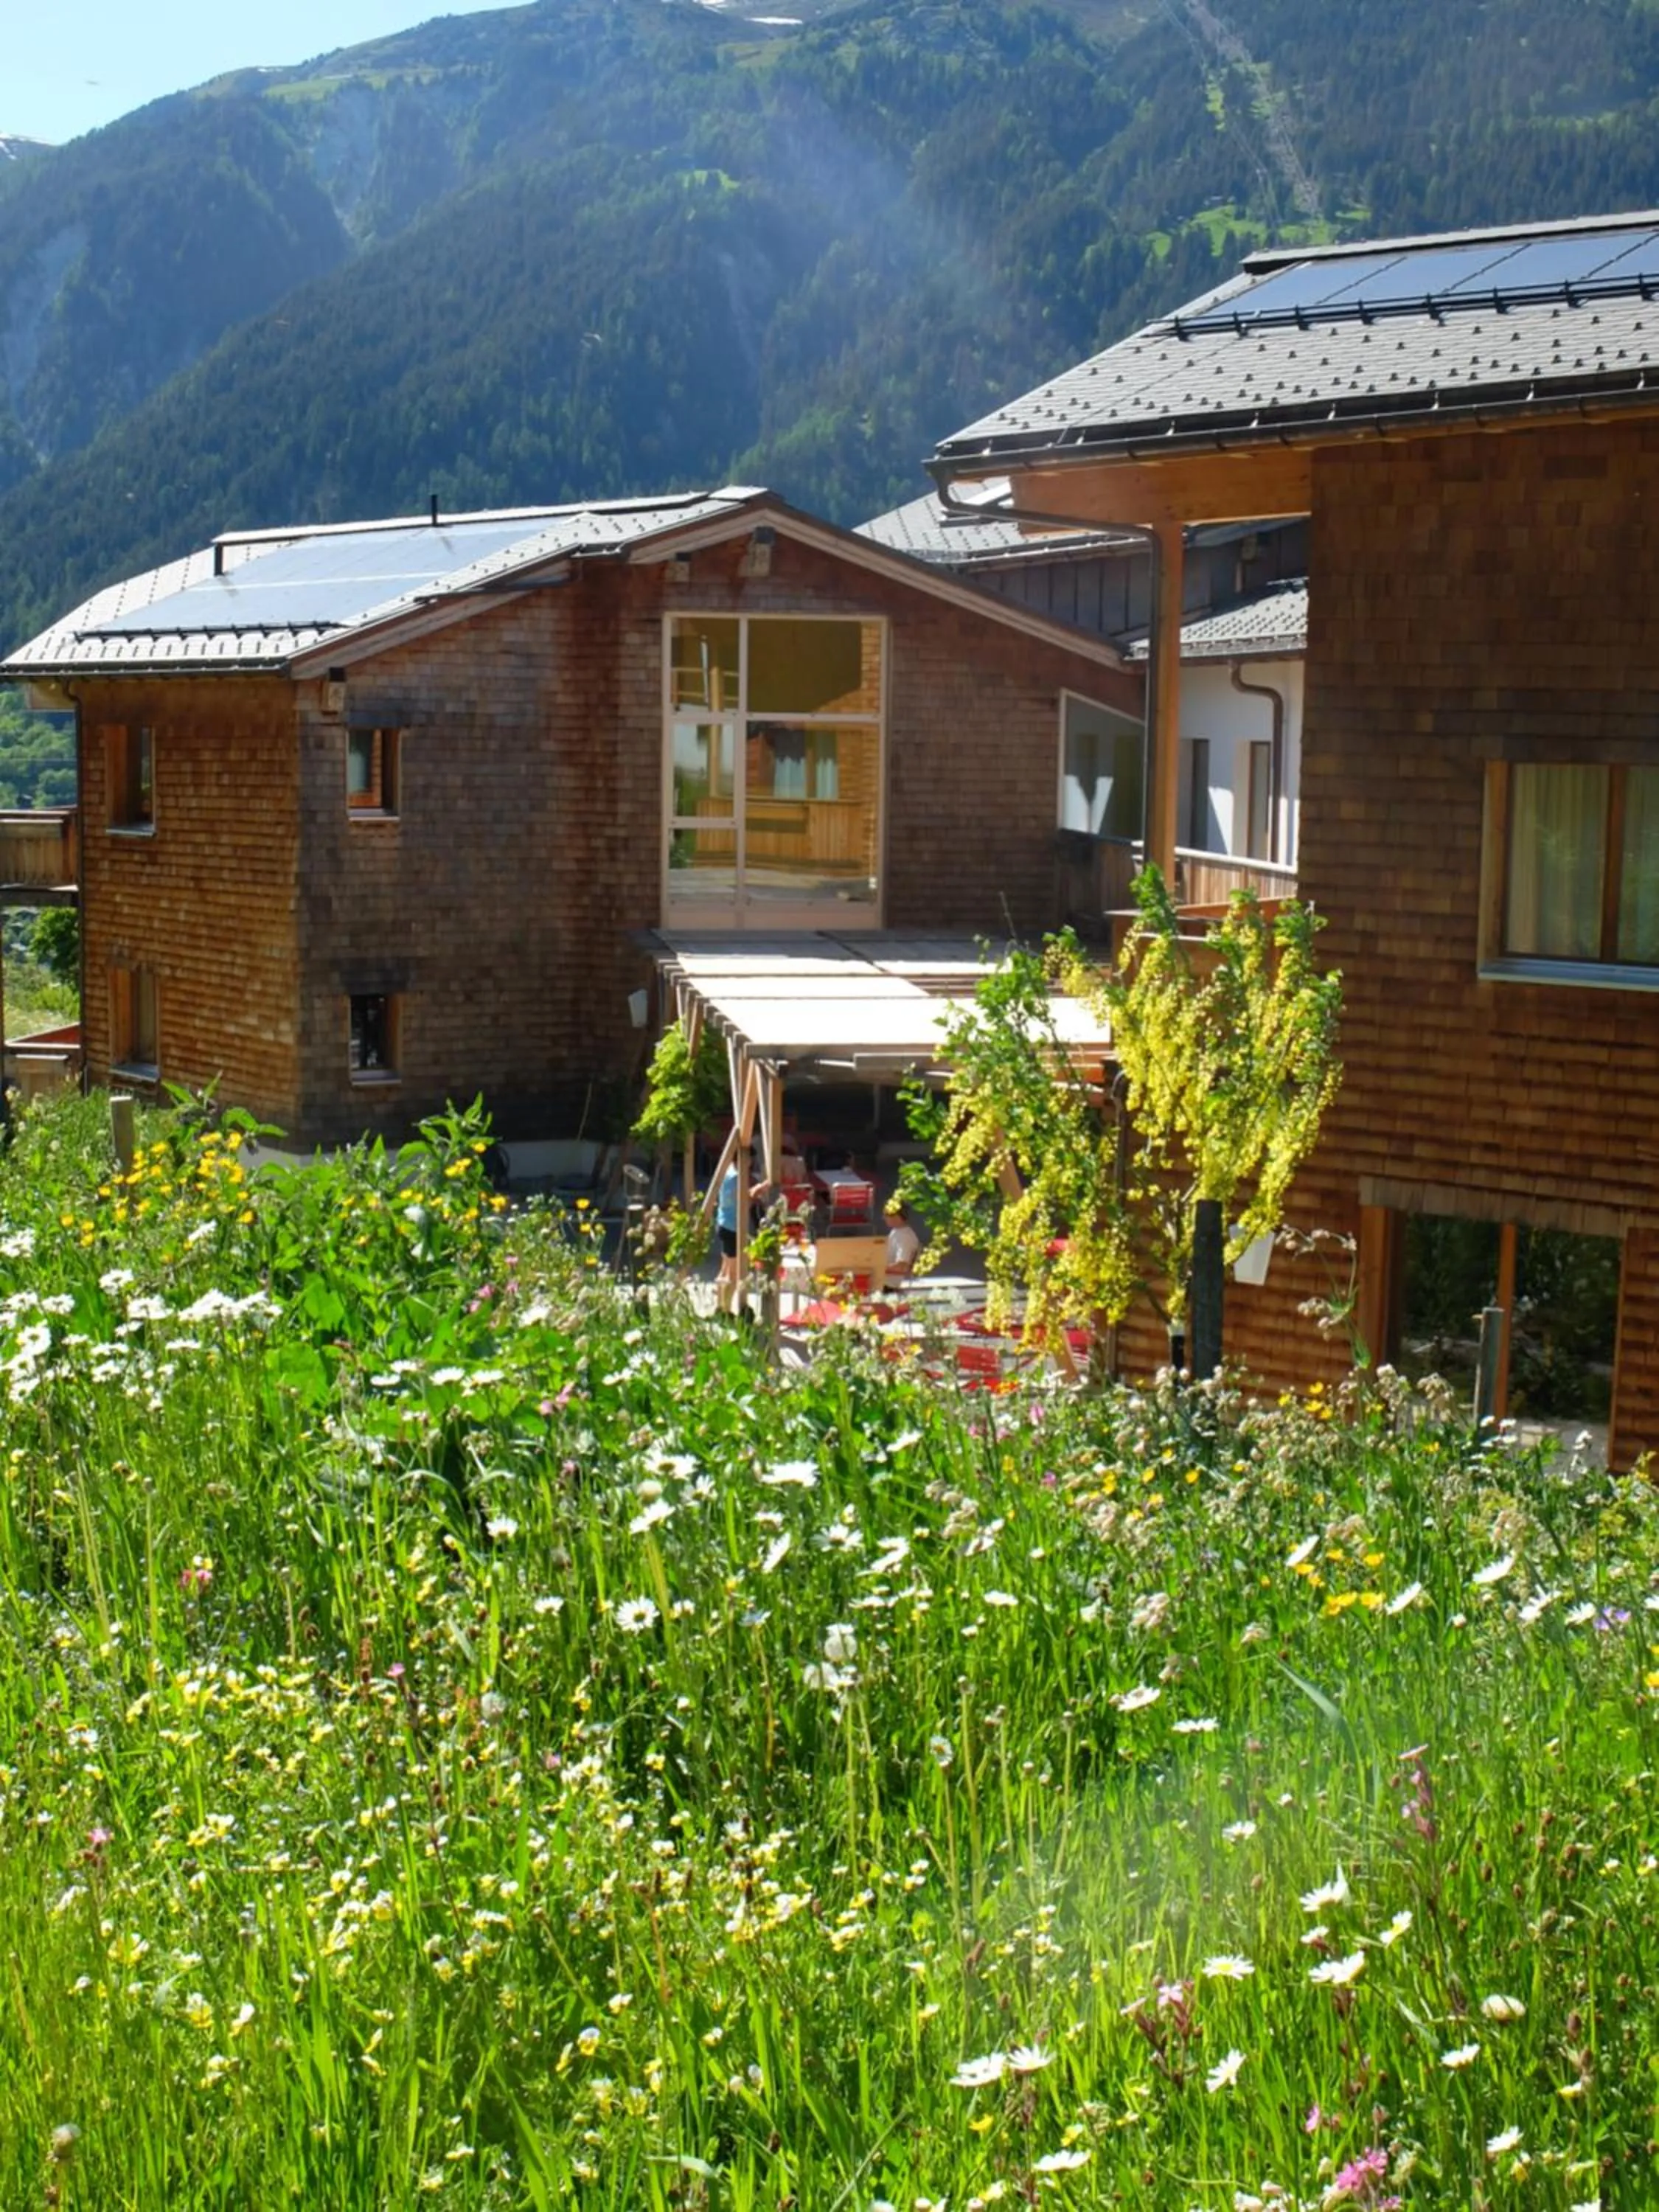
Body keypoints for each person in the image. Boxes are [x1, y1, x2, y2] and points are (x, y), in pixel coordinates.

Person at [715, 1154, 771, 1313]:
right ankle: (725, 1310)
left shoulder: (728, 1172)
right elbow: (745, 1199)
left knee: (725, 1269)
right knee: (732, 1274)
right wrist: (761, 1188)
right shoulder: (737, 1178)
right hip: (732, 1227)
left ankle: (720, 1306)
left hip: (723, 1223)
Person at [883, 1196, 920, 1279]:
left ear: (899, 1216)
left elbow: (902, 1266)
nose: (885, 1218)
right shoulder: (896, 1232)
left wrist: (879, 1269)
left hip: (891, 1283)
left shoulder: (905, 1236)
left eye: (888, 1215)